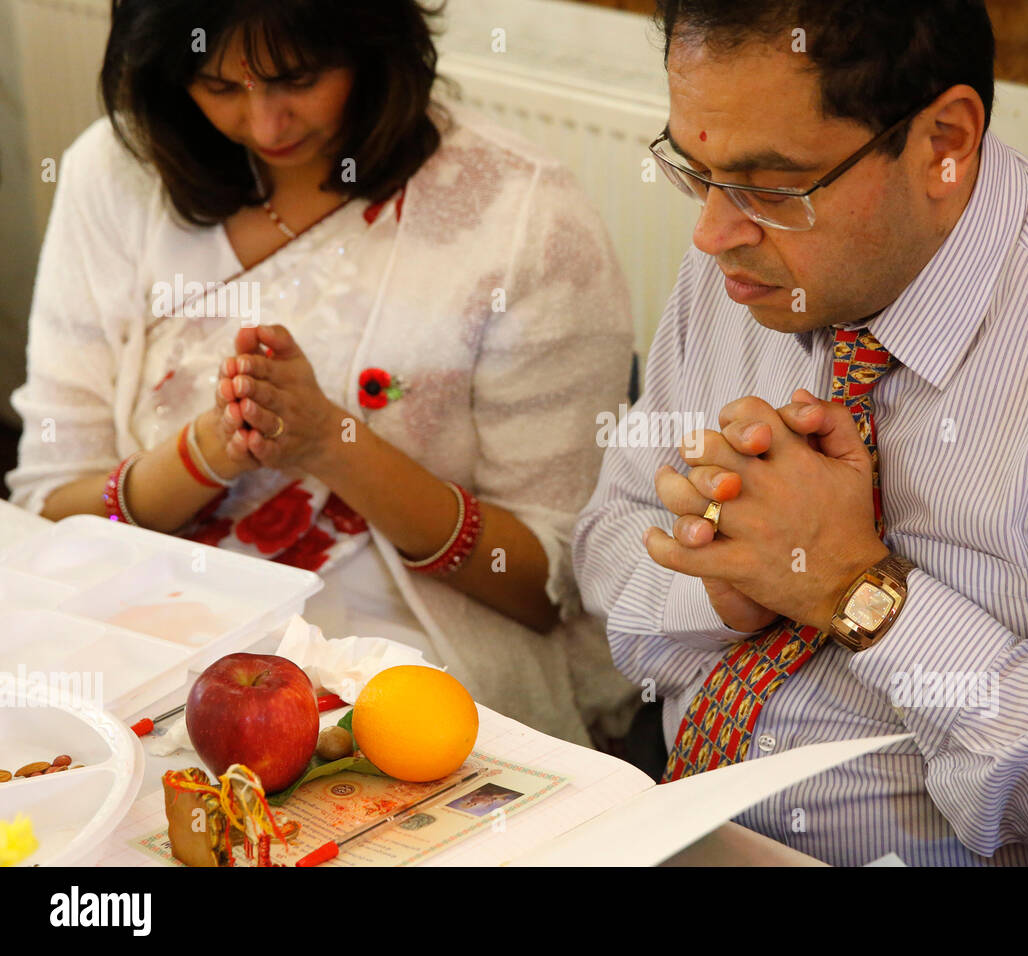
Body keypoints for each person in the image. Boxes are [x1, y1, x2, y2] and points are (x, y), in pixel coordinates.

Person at [574, 0, 1028, 865]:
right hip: (676, 824)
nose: (710, 232)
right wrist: (730, 586)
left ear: (945, 144)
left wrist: (859, 592)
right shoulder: (741, 267)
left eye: (772, 187)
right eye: (693, 170)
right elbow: (606, 549)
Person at [7, 0, 640, 748]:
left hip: (401, 668)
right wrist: (205, 454)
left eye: (296, 79)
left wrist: (333, 442)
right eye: (219, 87)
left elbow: (545, 585)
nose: (267, 125)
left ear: (372, 41)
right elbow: (51, 515)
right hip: (154, 646)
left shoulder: (518, 212)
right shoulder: (115, 179)